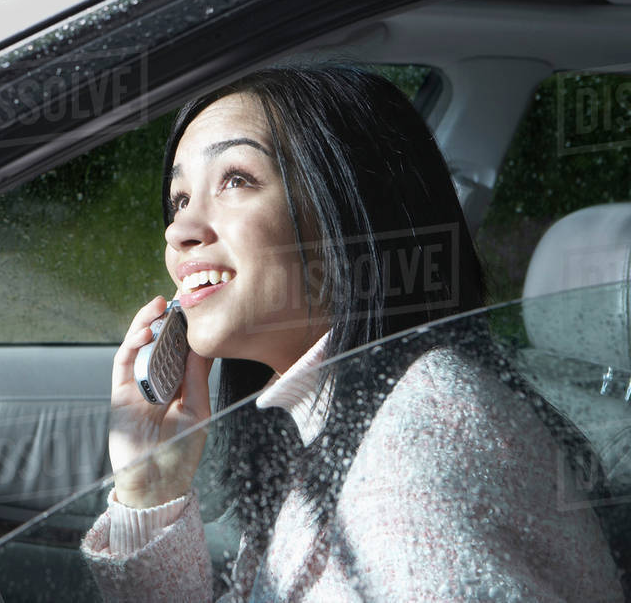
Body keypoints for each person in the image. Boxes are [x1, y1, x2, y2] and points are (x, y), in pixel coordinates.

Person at [80, 65, 623, 601]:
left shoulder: (420, 455)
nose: (178, 230)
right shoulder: (343, 414)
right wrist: (149, 489)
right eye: (180, 199)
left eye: (236, 179)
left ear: (349, 211)